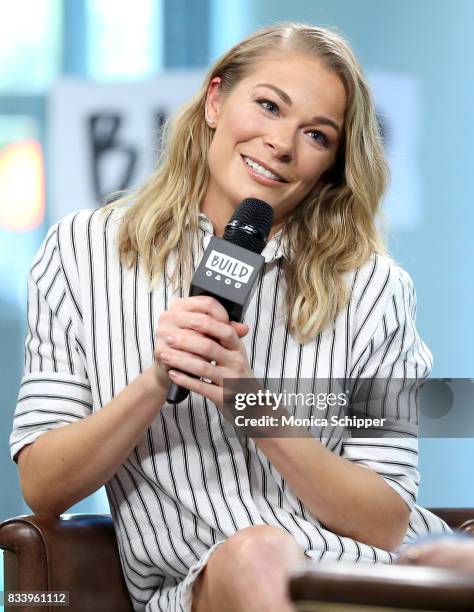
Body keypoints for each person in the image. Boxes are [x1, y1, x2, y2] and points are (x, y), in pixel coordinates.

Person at [10, 22, 449, 612]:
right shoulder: (83, 252)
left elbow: (389, 522)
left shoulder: (374, 287)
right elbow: (42, 487)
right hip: (204, 588)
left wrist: (251, 401)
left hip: (367, 582)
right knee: (258, 553)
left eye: (316, 135)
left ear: (331, 163)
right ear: (216, 100)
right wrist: (157, 378)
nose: (282, 144)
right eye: (268, 106)